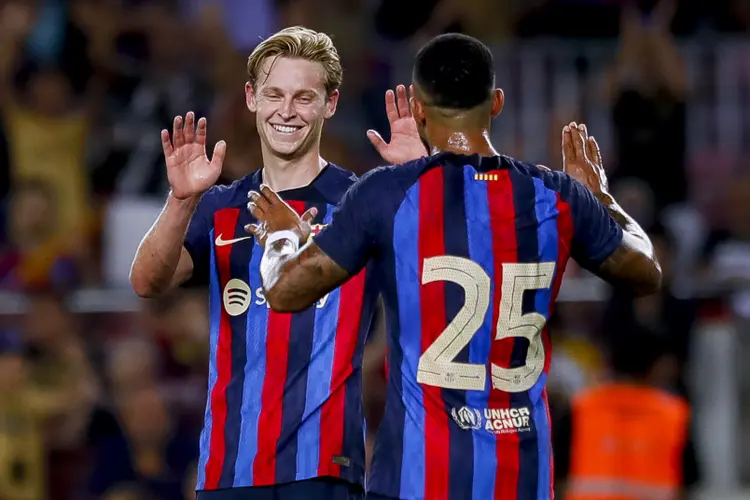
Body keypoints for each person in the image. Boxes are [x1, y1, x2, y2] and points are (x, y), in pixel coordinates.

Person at [246, 33, 662, 500]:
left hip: (416, 478)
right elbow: (646, 271)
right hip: (521, 479)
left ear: (419, 109)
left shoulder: (387, 195)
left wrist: (280, 238)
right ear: (497, 103)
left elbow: (283, 293)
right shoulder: (560, 196)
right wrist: (603, 198)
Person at [129, 26, 425, 500]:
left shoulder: (362, 202)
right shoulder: (219, 205)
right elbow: (146, 281)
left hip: (323, 470)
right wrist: (182, 201)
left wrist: (420, 187)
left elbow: (431, 278)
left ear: (330, 104)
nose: (286, 111)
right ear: (251, 98)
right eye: (274, 94)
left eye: (304, 97)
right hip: (227, 471)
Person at [553, 326, 699, 499]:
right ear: (656, 367)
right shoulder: (674, 415)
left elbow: (556, 473)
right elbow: (689, 479)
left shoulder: (580, 409)